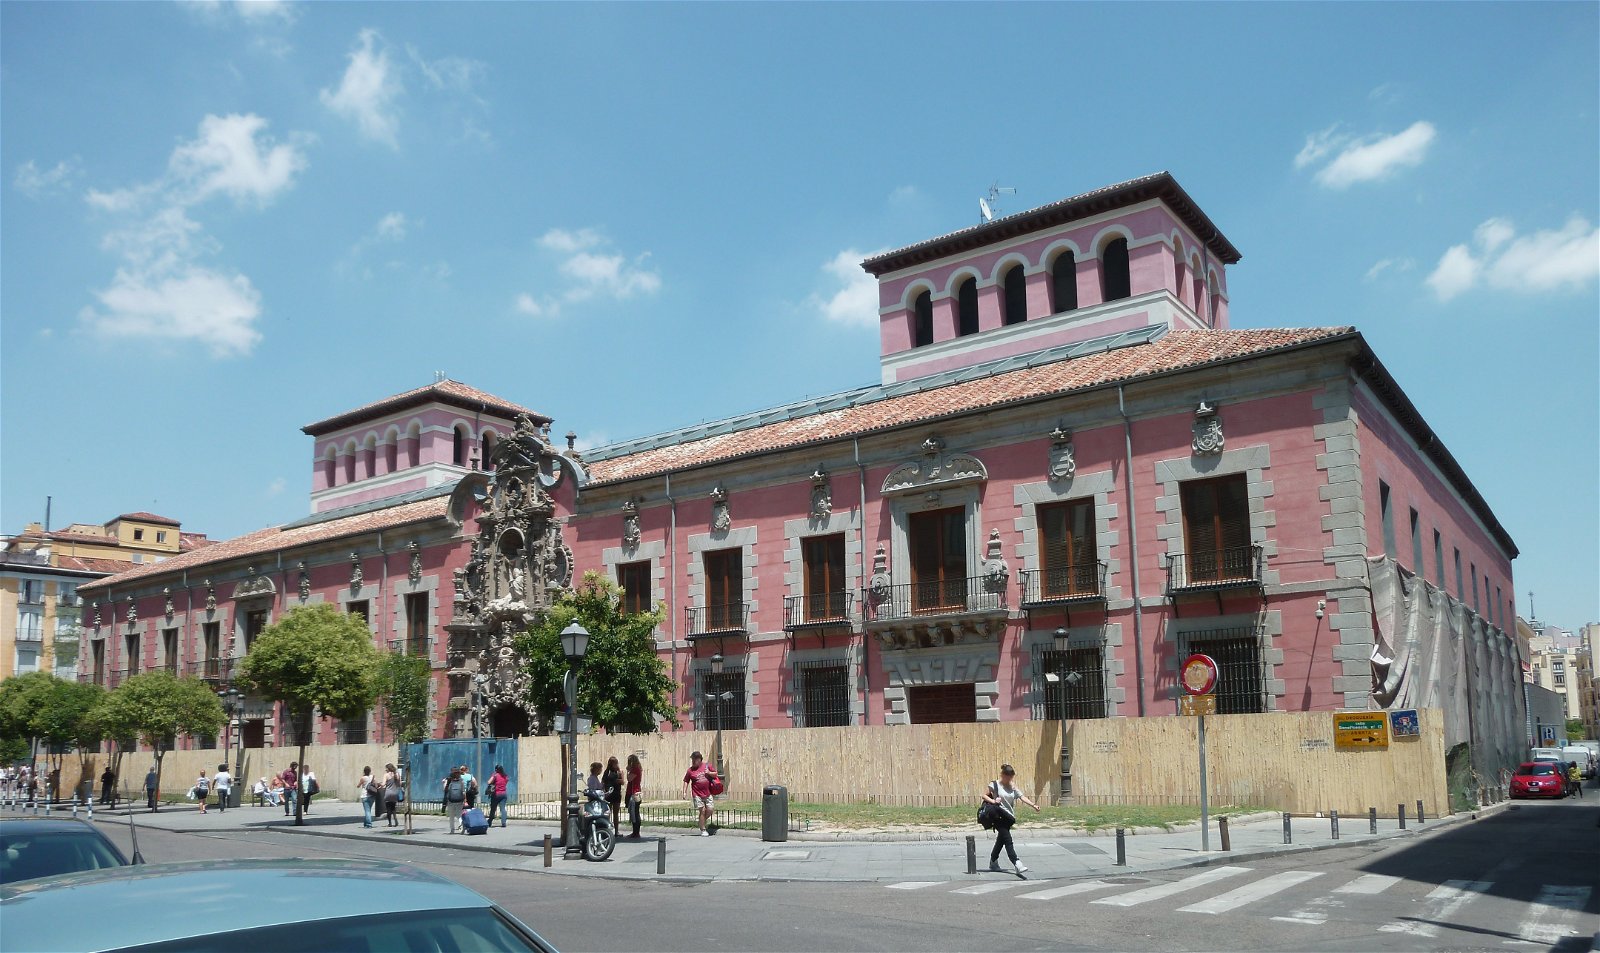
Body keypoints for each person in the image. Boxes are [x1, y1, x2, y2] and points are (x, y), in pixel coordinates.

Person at [981, 763, 1040, 875]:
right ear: (1002, 775)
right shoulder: (994, 785)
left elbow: (1022, 797)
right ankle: (1017, 863)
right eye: (1007, 777)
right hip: (998, 816)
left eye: (1011, 777)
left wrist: (1033, 805)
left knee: (1001, 840)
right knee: (1008, 840)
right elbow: (984, 796)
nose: (1009, 779)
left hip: (1009, 817)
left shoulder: (1012, 786)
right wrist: (994, 801)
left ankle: (993, 861)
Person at [682, 751, 717, 836]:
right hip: (697, 794)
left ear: (699, 760)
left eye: (694, 760)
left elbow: (715, 774)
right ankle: (703, 829)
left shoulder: (707, 766)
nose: (693, 762)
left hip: (708, 793)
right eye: (692, 760)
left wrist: (709, 773)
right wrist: (684, 792)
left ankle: (701, 822)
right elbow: (686, 781)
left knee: (710, 810)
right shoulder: (690, 771)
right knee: (702, 810)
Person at [442, 767, 466, 834]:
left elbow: (444, 790)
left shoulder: (449, 780)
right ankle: (461, 825)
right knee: (459, 815)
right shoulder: (461, 781)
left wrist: (444, 783)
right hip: (459, 800)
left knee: (451, 816)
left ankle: (452, 830)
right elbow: (463, 792)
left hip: (451, 801)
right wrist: (465, 800)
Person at [602, 756, 623, 830]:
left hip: (617, 793)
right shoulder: (607, 772)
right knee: (608, 812)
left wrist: (619, 775)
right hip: (609, 794)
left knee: (616, 814)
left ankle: (616, 830)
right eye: (614, 763)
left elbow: (622, 782)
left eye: (616, 763)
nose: (616, 765)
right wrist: (604, 791)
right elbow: (603, 782)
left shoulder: (618, 772)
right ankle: (607, 829)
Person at [486, 765, 509, 829]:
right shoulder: (505, 776)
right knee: (503, 809)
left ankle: (489, 822)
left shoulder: (495, 775)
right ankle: (503, 822)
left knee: (493, 809)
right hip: (504, 794)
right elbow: (507, 781)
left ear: (496, 770)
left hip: (496, 794)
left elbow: (489, 782)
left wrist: (494, 783)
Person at [626, 754, 643, 839]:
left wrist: (628, 771)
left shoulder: (635, 769)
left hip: (634, 793)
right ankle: (634, 831)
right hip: (634, 791)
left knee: (635, 813)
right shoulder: (637, 769)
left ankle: (636, 832)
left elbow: (629, 779)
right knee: (634, 812)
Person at [382, 763, 402, 828]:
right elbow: (400, 784)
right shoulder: (397, 774)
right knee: (393, 808)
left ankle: (390, 823)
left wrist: (380, 785)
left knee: (388, 809)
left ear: (388, 768)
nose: (385, 770)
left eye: (386, 768)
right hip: (395, 793)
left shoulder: (386, 775)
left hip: (388, 793)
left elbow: (383, 784)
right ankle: (396, 820)